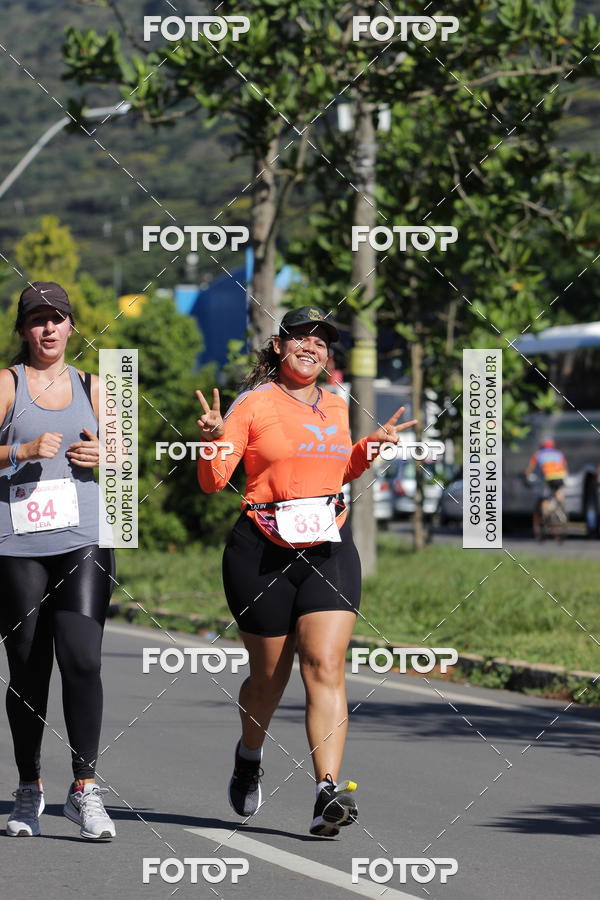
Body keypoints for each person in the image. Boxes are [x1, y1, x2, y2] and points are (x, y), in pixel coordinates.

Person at [196, 306, 416, 837]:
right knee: (269, 679)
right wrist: (210, 438)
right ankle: (250, 755)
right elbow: (213, 480)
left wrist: (368, 449)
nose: (312, 348)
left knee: (324, 663)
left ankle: (326, 793)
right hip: (261, 551)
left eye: (322, 342)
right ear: (279, 345)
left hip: (325, 546)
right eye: (301, 338)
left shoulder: (337, 403)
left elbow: (339, 469)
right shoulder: (253, 404)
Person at [0, 282, 116, 840]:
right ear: (23, 329)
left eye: (58, 319)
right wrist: (18, 451)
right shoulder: (6, 384)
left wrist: (106, 454)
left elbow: (125, 460)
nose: (49, 329)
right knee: (26, 667)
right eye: (38, 320)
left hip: (83, 538)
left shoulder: (98, 385)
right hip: (17, 544)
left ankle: (85, 788)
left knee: (83, 659)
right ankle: (28, 787)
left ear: (73, 327)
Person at [524, 438, 568, 538]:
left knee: (544, 498)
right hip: (560, 477)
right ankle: (561, 508)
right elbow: (565, 466)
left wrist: (526, 478)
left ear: (542, 447)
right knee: (558, 492)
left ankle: (546, 512)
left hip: (548, 479)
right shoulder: (559, 453)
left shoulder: (538, 454)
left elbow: (529, 470)